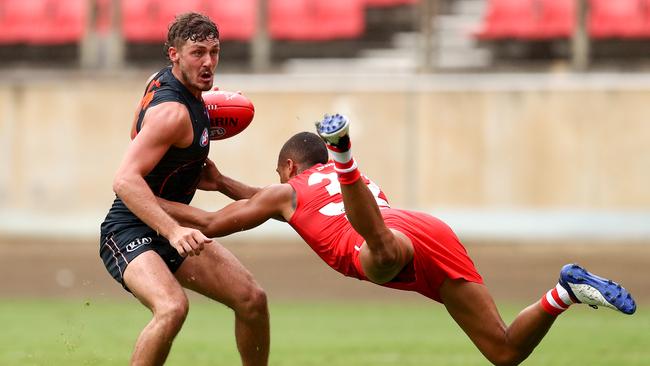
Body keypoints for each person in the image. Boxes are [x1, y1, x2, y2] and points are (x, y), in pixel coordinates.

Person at [159, 114, 636, 365]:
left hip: (378, 238)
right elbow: (269, 201)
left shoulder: (288, 191)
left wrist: (146, 201)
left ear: (288, 167)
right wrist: (223, 183)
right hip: (426, 229)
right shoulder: (298, 192)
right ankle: (565, 290)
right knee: (505, 352)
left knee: (380, 255)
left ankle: (349, 155)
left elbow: (215, 224)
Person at [99, 13, 269, 366]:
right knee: (172, 307)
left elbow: (140, 138)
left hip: (169, 222)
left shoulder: (177, 91)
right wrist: (173, 230)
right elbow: (125, 180)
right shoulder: (173, 113)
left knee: (252, 299)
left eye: (214, 51)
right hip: (129, 228)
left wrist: (210, 179)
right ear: (173, 54)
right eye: (197, 53)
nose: (208, 63)